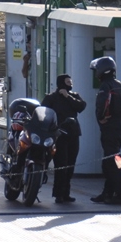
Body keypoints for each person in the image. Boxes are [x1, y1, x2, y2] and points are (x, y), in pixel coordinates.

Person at [90, 56, 121, 205]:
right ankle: (107, 193)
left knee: (115, 162)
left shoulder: (105, 87)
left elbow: (102, 106)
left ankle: (120, 195)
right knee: (110, 162)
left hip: (110, 131)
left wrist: (101, 119)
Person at [42, 73, 87, 203]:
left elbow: (81, 106)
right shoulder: (51, 98)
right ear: (61, 83)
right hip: (58, 135)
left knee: (70, 164)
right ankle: (58, 193)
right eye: (67, 82)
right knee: (61, 164)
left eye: (71, 82)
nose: (70, 85)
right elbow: (43, 112)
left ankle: (66, 192)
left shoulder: (73, 96)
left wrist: (68, 97)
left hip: (73, 133)